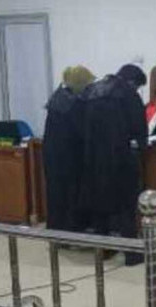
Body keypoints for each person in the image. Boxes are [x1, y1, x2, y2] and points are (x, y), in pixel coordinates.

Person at [80, 64, 147, 265]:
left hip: (94, 158)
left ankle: (103, 251)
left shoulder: (92, 91)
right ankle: (132, 255)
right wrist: (142, 146)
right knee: (126, 206)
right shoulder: (128, 95)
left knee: (100, 206)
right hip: (121, 157)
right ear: (132, 81)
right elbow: (139, 127)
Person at [43, 65, 95, 232]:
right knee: (72, 196)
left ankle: (56, 229)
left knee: (56, 195)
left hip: (53, 155)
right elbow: (82, 132)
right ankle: (72, 230)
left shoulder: (57, 98)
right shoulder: (74, 103)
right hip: (70, 157)